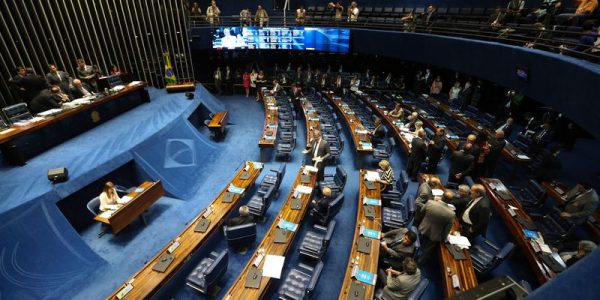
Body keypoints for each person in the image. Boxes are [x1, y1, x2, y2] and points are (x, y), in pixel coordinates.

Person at [415, 189, 456, 263]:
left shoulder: (430, 202)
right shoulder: (451, 214)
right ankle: (420, 261)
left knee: (416, 242)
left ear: (442, 197)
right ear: (450, 201)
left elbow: (422, 212)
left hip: (423, 228)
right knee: (427, 250)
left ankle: (412, 255)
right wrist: (444, 238)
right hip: (435, 235)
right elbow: (447, 229)